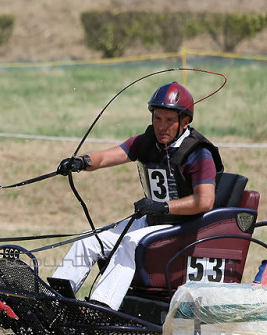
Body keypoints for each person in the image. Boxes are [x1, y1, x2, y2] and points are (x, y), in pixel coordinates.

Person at [50, 81, 223, 310]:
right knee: (89, 240)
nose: (162, 126)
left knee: (130, 243)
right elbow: (108, 156)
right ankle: (54, 303)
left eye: (169, 120)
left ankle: (101, 309)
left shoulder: (198, 153)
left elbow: (205, 201)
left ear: (185, 121)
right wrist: (82, 162)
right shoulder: (147, 141)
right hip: (153, 222)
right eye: (157, 118)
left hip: (184, 226)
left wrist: (162, 207)